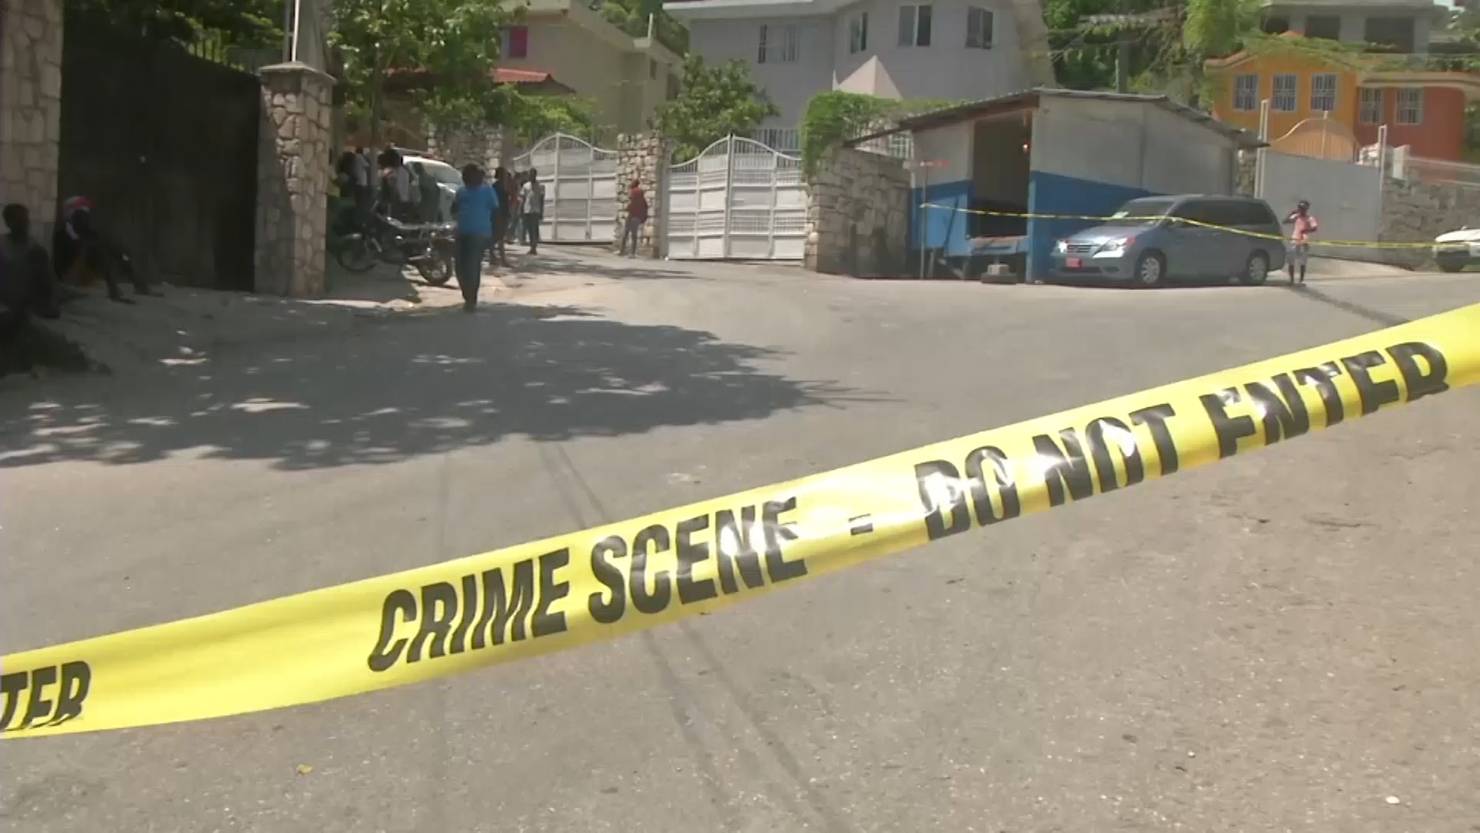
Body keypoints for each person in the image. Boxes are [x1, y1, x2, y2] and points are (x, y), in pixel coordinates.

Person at [53, 196, 153, 303]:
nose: (84, 214)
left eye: (85, 211)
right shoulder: (67, 228)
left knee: (121, 254)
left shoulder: (86, 225)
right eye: (80, 211)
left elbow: (92, 235)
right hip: (84, 256)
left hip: (92, 249)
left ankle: (137, 284)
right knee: (104, 255)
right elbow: (76, 242)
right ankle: (115, 290)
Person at [451, 164, 499, 312]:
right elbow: (453, 209)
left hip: (479, 234)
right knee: (459, 267)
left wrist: (494, 236)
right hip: (462, 233)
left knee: (472, 266)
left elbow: (495, 211)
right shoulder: (461, 192)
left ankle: (471, 299)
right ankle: (468, 295)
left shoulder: (487, 191)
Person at [1, 203, 60, 319]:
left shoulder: (36, 250)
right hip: (5, 304)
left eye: (25, 220)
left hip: (27, 307)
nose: (23, 224)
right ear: (8, 223)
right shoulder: (2, 245)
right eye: (18, 220)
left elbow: (49, 282)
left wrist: (50, 304)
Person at [1282, 199, 1319, 285]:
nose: (1301, 210)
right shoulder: (1296, 216)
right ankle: (1291, 280)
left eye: (1303, 208)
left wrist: (1306, 230)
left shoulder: (1309, 218)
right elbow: (1285, 221)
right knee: (1291, 260)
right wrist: (1291, 214)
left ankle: (1301, 281)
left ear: (1306, 209)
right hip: (1294, 240)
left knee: (1302, 262)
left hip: (1303, 241)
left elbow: (1314, 228)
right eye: (1300, 208)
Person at [520, 167, 545, 255]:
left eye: (533, 175)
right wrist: (521, 209)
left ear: (535, 175)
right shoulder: (526, 186)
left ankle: (534, 246)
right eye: (530, 175)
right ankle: (532, 246)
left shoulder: (540, 186)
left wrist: (541, 211)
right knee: (530, 229)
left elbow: (542, 199)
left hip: (536, 210)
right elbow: (523, 198)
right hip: (527, 209)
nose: (531, 176)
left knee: (534, 228)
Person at [491, 166, 513, 267]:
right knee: (499, 237)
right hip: (499, 214)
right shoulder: (498, 187)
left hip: (500, 214)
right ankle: (501, 259)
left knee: (498, 237)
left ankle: (495, 257)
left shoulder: (500, 186)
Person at [619, 179, 648, 257]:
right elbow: (645, 207)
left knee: (627, 233)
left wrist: (628, 208)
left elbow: (631, 202)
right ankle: (631, 252)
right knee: (633, 234)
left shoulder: (634, 192)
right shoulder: (641, 197)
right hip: (636, 216)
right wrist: (643, 218)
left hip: (633, 215)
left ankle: (623, 251)